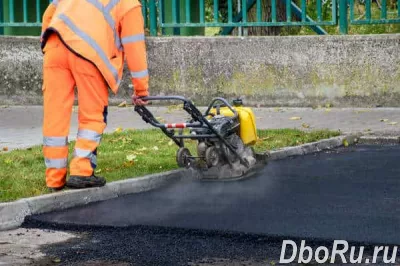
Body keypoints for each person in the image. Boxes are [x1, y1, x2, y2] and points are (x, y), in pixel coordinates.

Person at [40, 0, 149, 191]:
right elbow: (135, 48)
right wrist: (141, 91)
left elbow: (48, 15)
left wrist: (48, 45)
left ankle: (54, 178)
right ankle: (82, 171)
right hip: (89, 54)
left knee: (54, 116)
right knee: (92, 115)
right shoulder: (129, 4)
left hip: (54, 46)